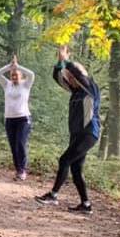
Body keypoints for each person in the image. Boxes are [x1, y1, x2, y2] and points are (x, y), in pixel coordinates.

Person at [35, 45, 100, 214]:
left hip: (88, 133)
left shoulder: (90, 87)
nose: (69, 79)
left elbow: (79, 75)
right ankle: (86, 205)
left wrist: (67, 60)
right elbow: (57, 77)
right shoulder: (76, 91)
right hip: (77, 134)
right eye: (69, 77)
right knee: (76, 168)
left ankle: (53, 195)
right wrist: (60, 62)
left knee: (64, 160)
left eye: (71, 76)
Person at [0, 54, 35, 181]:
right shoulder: (7, 85)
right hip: (9, 119)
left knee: (20, 144)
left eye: (16, 75)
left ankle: (23, 170)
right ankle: (18, 170)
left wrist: (18, 67)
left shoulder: (26, 85)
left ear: (20, 76)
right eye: (12, 75)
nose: (14, 77)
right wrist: (10, 67)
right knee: (13, 146)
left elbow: (32, 74)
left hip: (23, 119)